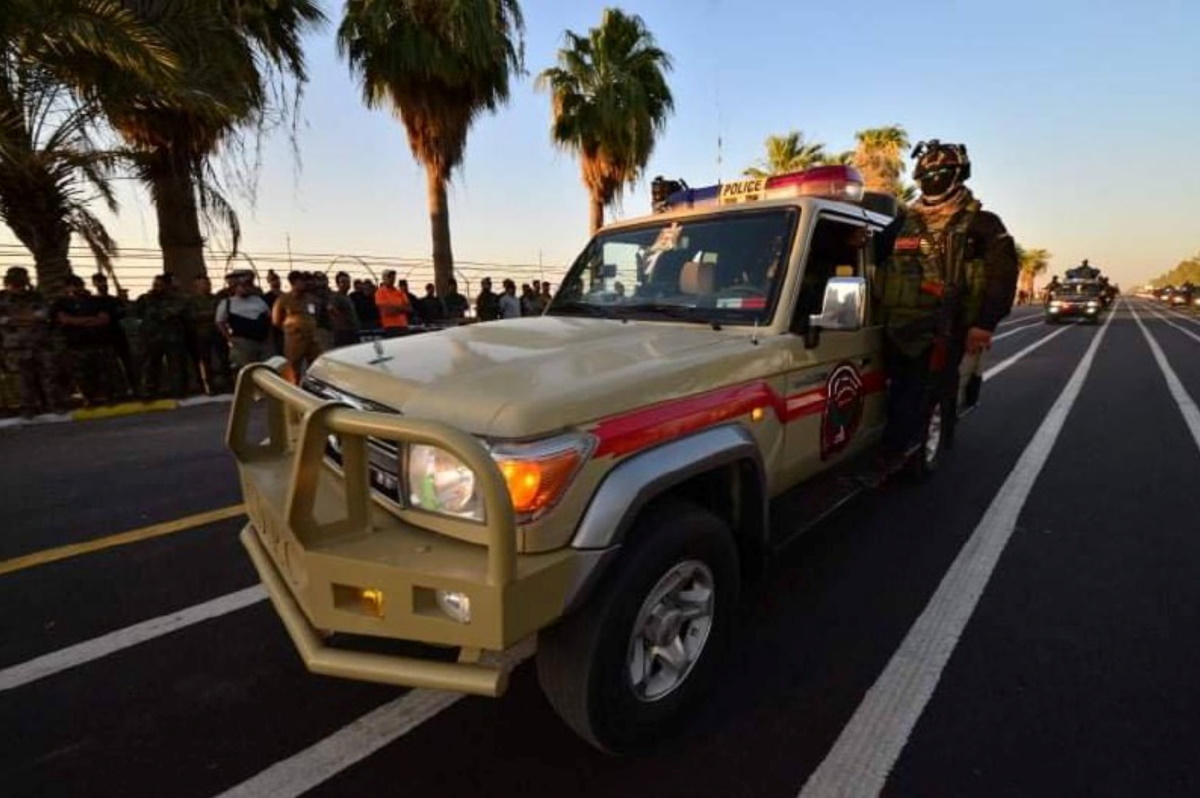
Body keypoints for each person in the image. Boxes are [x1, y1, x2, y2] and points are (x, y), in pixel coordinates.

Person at [871, 139, 1018, 477]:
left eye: (942, 171)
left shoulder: (982, 224)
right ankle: (898, 443)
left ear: (958, 174)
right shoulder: (904, 223)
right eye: (928, 172)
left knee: (923, 391)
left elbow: (1002, 276)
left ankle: (907, 453)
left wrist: (984, 324)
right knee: (898, 390)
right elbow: (874, 252)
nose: (934, 177)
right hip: (896, 325)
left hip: (946, 326)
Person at [0, 266, 63, 417]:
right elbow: (3, 320)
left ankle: (54, 405)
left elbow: (43, 315)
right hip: (16, 346)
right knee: (23, 379)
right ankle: (28, 408)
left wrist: (17, 319)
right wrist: (27, 318)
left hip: (40, 342)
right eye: (16, 283)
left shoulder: (35, 296)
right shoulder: (1, 298)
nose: (19, 286)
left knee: (49, 376)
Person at [52, 275, 115, 406]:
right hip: (76, 344)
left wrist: (78, 321)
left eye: (78, 285)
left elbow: (103, 320)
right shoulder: (61, 303)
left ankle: (107, 397)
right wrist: (89, 320)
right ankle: (88, 398)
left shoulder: (96, 301)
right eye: (72, 286)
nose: (76, 289)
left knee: (104, 373)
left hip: (98, 343)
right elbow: (65, 320)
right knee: (82, 375)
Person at [135, 274, 189, 399]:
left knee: (176, 366)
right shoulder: (145, 299)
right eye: (155, 285)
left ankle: (178, 392)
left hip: (172, 338)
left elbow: (171, 313)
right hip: (151, 338)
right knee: (151, 366)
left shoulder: (177, 299)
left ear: (167, 286)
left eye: (160, 285)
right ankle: (150, 392)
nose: (156, 288)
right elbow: (136, 314)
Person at [216, 271, 273, 373]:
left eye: (247, 285)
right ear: (235, 287)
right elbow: (220, 322)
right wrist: (230, 338)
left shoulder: (258, 300)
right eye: (242, 285)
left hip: (263, 342)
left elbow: (269, 317)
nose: (245, 288)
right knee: (247, 371)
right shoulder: (227, 303)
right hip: (243, 343)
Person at [271, 271, 322, 384]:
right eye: (301, 281)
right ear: (293, 283)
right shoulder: (283, 299)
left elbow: (316, 315)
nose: (305, 283)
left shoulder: (311, 299)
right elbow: (276, 320)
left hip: (311, 337)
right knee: (293, 367)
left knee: (315, 366)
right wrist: (292, 328)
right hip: (294, 338)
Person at [91, 272, 134, 397]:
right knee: (108, 366)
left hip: (118, 335)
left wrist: (124, 302)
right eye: (99, 282)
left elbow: (124, 314)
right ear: (94, 284)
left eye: (104, 281)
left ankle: (133, 387)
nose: (102, 285)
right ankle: (115, 390)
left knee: (128, 363)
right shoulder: (93, 301)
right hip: (103, 337)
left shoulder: (114, 300)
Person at [186, 275, 229, 395]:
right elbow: (193, 316)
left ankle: (227, 384)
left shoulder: (216, 299)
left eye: (208, 283)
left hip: (217, 333)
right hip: (201, 335)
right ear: (196, 286)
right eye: (203, 284)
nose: (207, 286)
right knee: (205, 361)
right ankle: (209, 386)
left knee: (222, 359)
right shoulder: (192, 301)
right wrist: (212, 314)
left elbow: (222, 314)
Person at [330, 271, 361, 347]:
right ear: (338, 284)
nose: (346, 284)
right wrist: (342, 319)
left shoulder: (348, 297)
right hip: (342, 333)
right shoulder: (336, 297)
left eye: (347, 282)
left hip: (352, 331)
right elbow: (331, 309)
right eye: (343, 282)